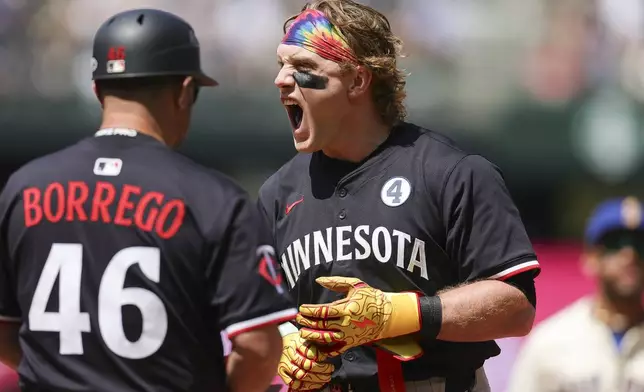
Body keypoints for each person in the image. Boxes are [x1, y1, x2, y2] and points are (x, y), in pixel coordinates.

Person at [0, 8, 296, 392]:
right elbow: (258, 349)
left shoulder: (23, 188)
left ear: (97, 89)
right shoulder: (214, 199)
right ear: (185, 91)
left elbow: (5, 330)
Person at [258, 1, 541, 391]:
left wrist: (403, 312)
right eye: (281, 65)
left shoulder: (452, 172)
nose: (282, 80)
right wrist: (286, 343)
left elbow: (516, 308)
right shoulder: (277, 193)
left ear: (358, 81)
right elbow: (258, 310)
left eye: (303, 68)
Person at [506, 196, 644, 392]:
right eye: (616, 243)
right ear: (591, 258)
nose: (630, 255)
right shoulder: (551, 341)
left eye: (640, 244)